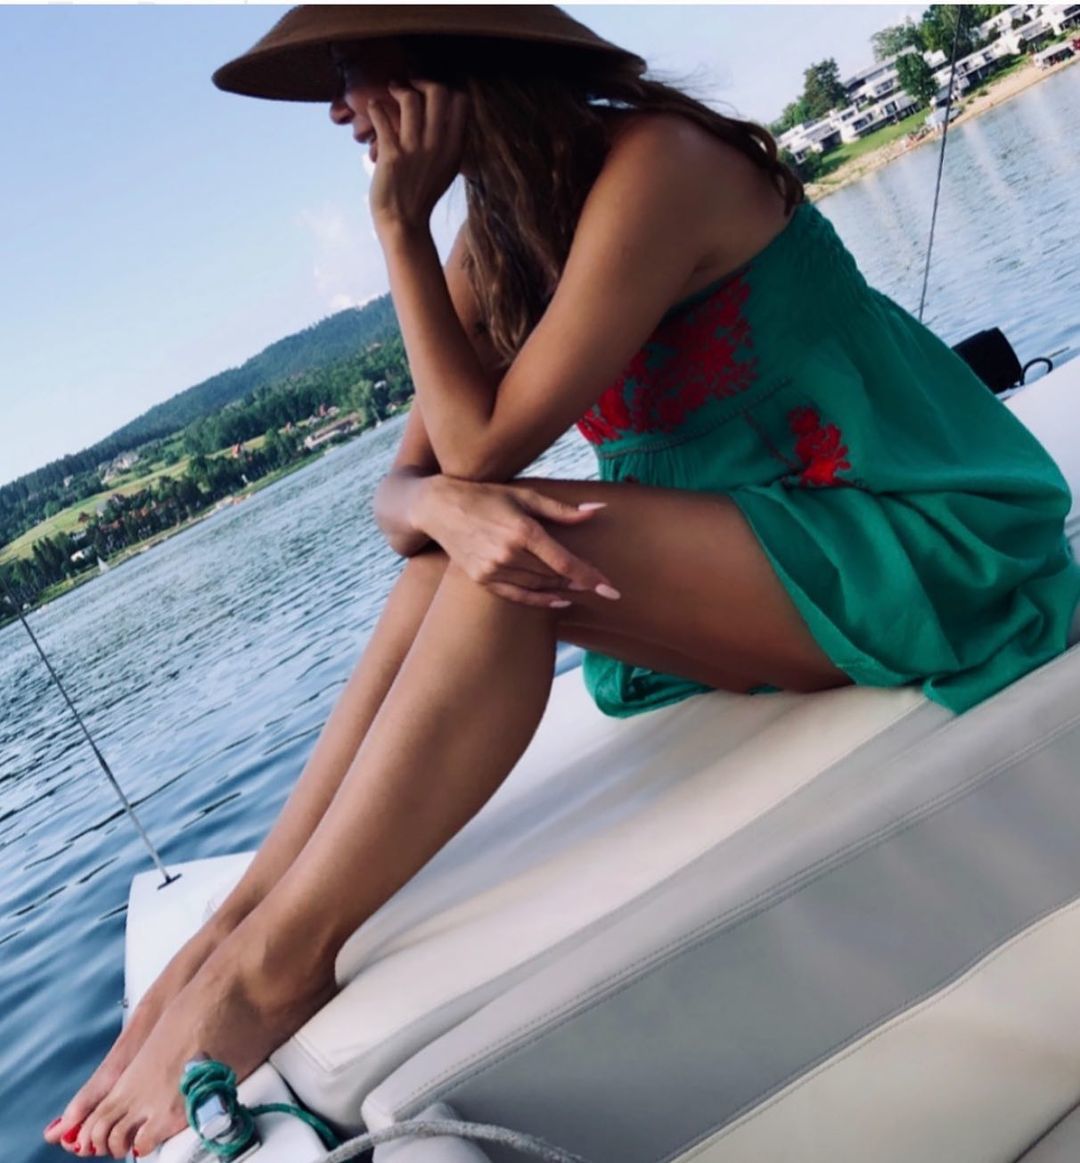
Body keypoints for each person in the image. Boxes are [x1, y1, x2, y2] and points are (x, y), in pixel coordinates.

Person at [45, 5, 1080, 1157]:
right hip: (772, 559)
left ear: (445, 55)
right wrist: (440, 502)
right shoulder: (504, 232)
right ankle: (238, 926)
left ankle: (280, 964)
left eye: (352, 67)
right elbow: (405, 497)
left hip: (908, 536)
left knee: (511, 546)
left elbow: (476, 453)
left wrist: (397, 227)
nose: (340, 110)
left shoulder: (658, 166)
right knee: (453, 552)